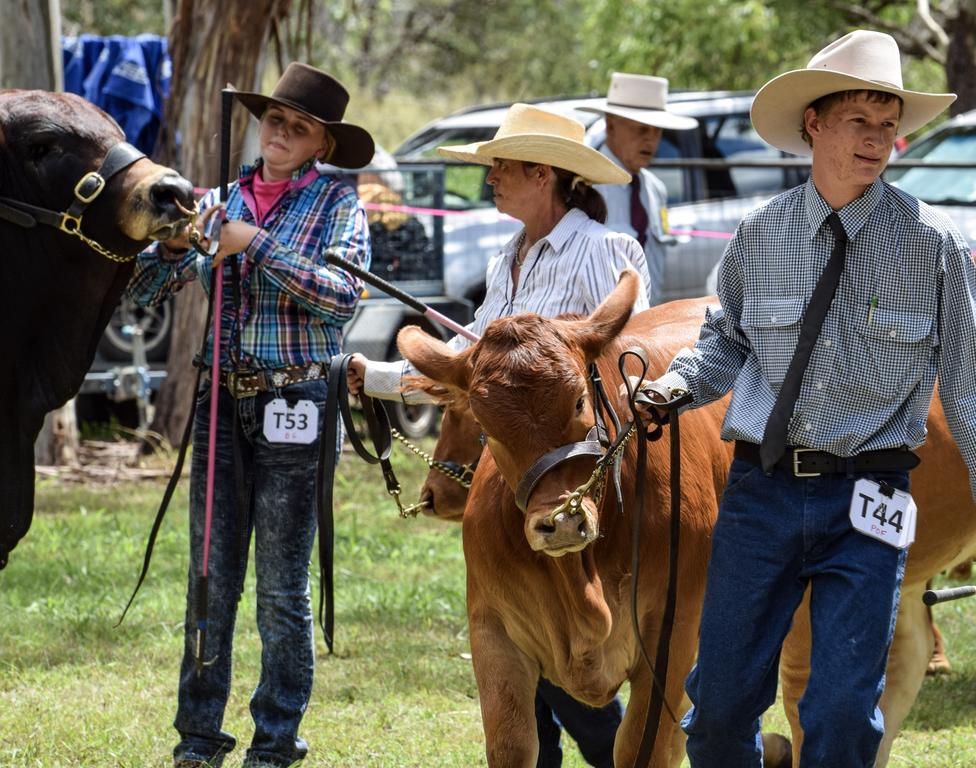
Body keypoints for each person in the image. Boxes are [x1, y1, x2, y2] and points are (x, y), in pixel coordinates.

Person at [630, 29, 976, 767]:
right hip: (759, 494)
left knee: (843, 715)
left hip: (869, 501)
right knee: (716, 714)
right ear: (813, 123)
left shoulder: (933, 245)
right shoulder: (759, 233)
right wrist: (676, 386)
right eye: (858, 122)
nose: (877, 140)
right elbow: (725, 344)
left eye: (888, 125)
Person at [346, 103, 650, 767]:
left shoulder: (605, 252)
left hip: (579, 480)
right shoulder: (505, 259)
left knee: (573, 640)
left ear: (545, 174)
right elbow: (470, 373)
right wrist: (375, 379)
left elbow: (628, 362)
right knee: (519, 630)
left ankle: (643, 747)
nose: (492, 180)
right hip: (511, 479)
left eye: (502, 168)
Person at [128, 62, 375, 768]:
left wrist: (255, 245)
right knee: (209, 574)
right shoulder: (218, 198)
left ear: (321, 144)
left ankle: (275, 741)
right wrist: (172, 245)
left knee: (279, 586)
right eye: (275, 118)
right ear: (260, 122)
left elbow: (340, 297)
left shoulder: (336, 205)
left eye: (299, 127)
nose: (281, 132)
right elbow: (145, 290)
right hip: (221, 401)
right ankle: (198, 738)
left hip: (295, 398)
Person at [579, 72, 697, 304]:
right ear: (611, 126)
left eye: (657, 131)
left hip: (646, 323)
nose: (651, 141)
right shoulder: (582, 185)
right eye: (641, 129)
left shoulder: (654, 189)